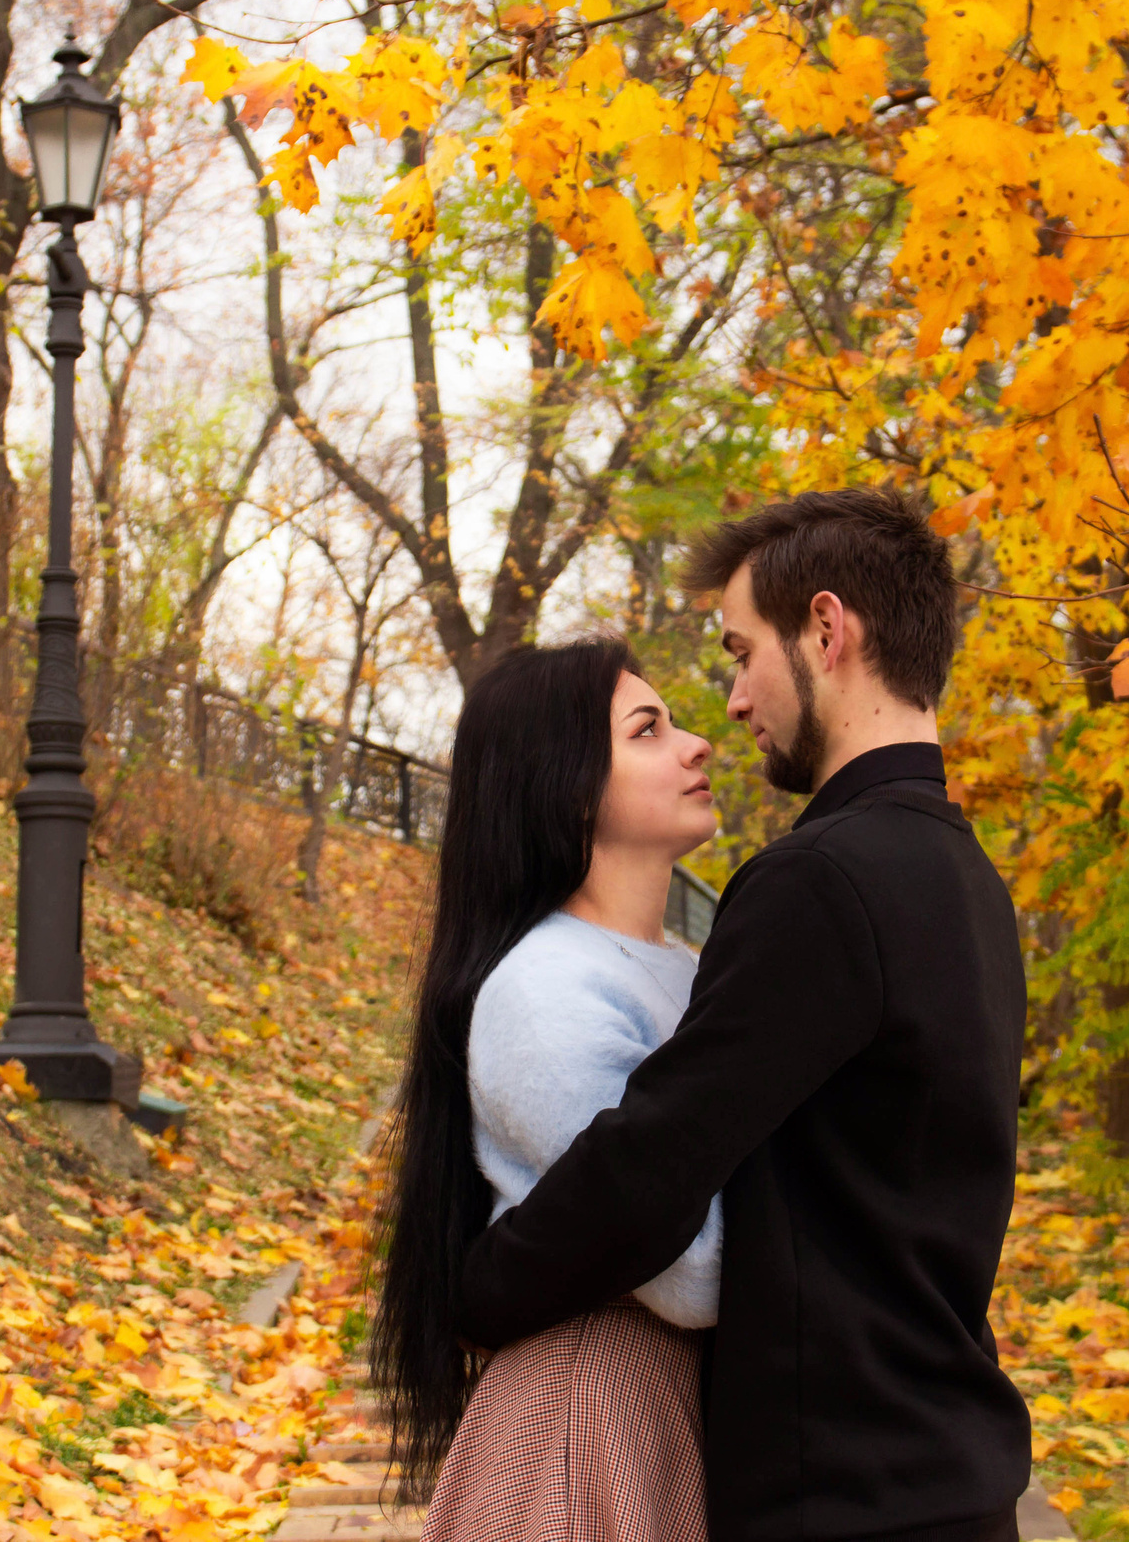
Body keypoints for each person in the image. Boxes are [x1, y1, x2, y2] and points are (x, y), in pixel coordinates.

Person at [454, 488, 1033, 1542]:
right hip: (946, 1476)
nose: (730, 703)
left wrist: (477, 1285)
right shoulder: (969, 880)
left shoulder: (821, 879)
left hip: (844, 1499)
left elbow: (651, 1164)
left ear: (826, 630)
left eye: (739, 652)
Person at [371, 636, 727, 1541]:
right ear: (569, 788)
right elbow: (692, 1272)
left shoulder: (689, 970)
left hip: (662, 1408)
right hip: (588, 1411)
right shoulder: (546, 988)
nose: (697, 744)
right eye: (648, 730)